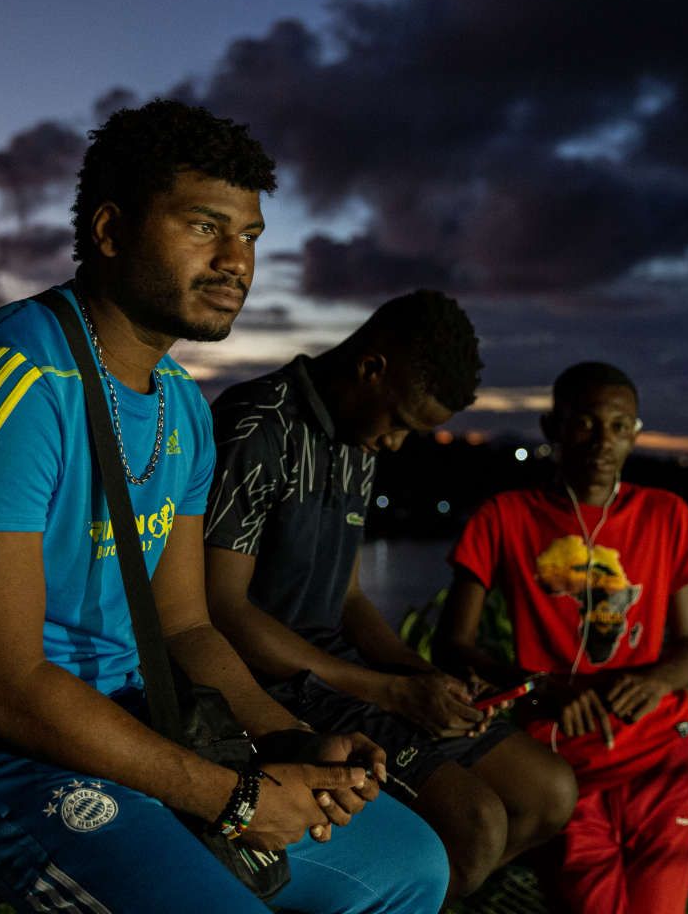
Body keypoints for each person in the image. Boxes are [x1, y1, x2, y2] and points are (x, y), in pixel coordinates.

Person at [0, 99, 448, 914]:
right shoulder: (12, 384)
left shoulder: (181, 406)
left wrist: (284, 738)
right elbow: (3, 684)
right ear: (111, 230)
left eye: (252, 237)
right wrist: (235, 798)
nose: (238, 260)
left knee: (411, 862)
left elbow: (186, 628)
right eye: (204, 226)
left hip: (140, 728)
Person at [203, 292, 578, 901]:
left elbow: (348, 599)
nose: (398, 444)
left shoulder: (359, 439)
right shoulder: (256, 424)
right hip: (270, 678)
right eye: (401, 422)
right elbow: (222, 608)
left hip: (344, 672)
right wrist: (391, 691)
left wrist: (423, 677)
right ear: (371, 368)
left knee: (549, 792)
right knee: (476, 823)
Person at [439, 361, 688, 914]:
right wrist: (539, 688)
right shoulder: (504, 517)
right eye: (585, 423)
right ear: (552, 428)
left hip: (662, 765)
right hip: (562, 769)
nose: (603, 441)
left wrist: (656, 679)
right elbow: (452, 644)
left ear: (635, 433)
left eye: (620, 425)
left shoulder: (666, 514)